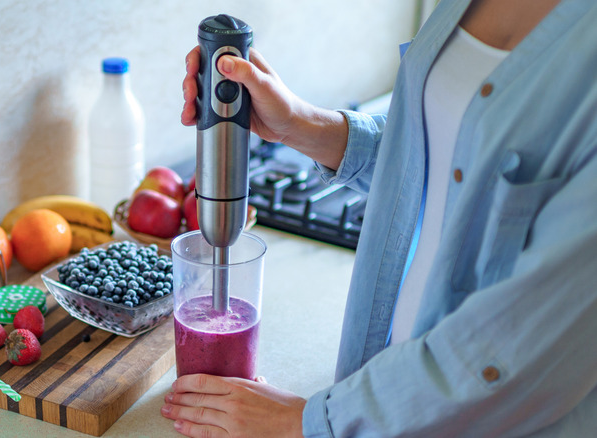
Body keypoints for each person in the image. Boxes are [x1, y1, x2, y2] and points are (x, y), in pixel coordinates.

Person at [161, 0, 597, 436]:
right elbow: (444, 152)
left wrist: (308, 423)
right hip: (380, 400)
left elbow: (521, 349)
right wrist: (298, 124)